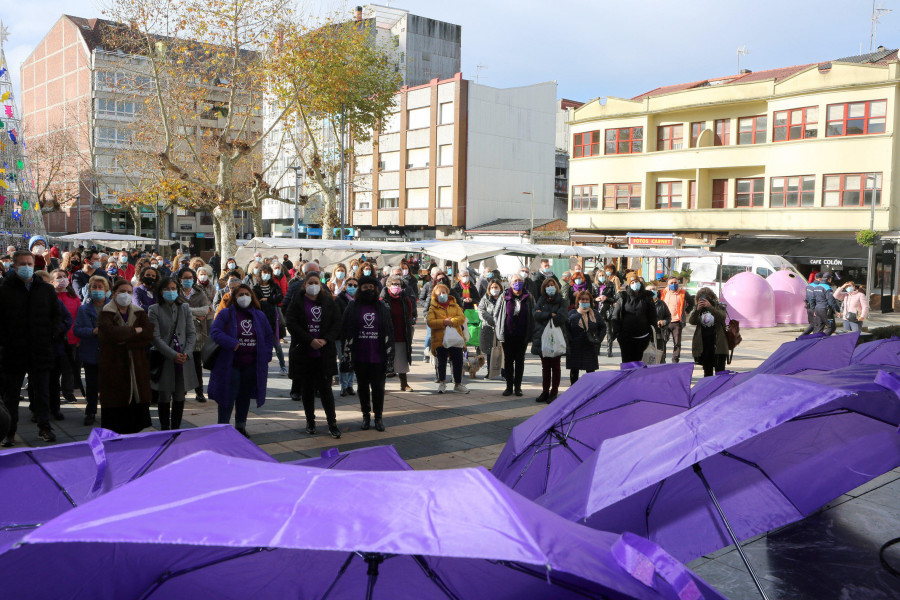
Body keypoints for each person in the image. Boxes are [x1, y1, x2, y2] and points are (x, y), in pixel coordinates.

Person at [0, 251, 63, 445]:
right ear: (14, 266)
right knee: (11, 395)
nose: (27, 267)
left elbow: (57, 316)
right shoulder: (4, 289)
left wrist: (52, 334)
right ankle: (9, 430)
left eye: (30, 263)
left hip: (40, 349)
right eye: (23, 264)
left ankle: (44, 427)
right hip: (13, 351)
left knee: (42, 392)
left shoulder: (45, 289)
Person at [208, 285, 273, 437]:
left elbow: (269, 336)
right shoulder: (226, 313)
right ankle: (223, 427)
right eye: (240, 294)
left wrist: (267, 354)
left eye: (247, 294)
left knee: (244, 396)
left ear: (252, 297)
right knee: (227, 396)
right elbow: (215, 332)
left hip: (251, 364)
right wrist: (231, 342)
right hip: (230, 364)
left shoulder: (259, 315)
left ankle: (240, 426)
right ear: (234, 298)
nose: (244, 297)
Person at [286, 270, 342, 438]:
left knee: (326, 390)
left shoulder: (328, 302)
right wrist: (309, 340)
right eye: (310, 283)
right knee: (307, 390)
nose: (313, 286)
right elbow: (291, 323)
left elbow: (336, 323)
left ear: (321, 284)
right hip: (304, 351)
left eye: (316, 283)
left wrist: (325, 340)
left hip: (324, 353)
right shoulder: (297, 302)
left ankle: (332, 422)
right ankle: (310, 421)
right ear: (304, 285)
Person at [97, 279, 154, 434]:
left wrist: (126, 341)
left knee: (136, 405)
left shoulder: (139, 312)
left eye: (129, 292)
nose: (126, 295)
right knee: (116, 403)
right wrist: (135, 331)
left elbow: (148, 334)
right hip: (114, 364)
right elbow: (111, 334)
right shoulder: (106, 313)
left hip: (137, 363)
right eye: (122, 291)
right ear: (114, 293)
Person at [340, 275, 395, 431]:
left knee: (378, 388)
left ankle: (378, 417)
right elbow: (345, 330)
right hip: (360, 355)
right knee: (362, 388)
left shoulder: (382, 307)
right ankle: (366, 416)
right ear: (360, 289)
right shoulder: (352, 307)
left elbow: (389, 330)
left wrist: (390, 353)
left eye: (372, 288)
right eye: (365, 288)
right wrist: (346, 353)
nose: (369, 290)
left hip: (378, 355)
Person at [148, 277, 198, 430]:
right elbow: (155, 337)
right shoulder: (154, 309)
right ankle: (164, 426)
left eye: (173, 288)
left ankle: (176, 427)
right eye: (167, 289)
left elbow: (191, 333)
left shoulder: (184, 308)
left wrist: (187, 353)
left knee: (179, 394)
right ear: (160, 291)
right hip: (165, 357)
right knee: (164, 394)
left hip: (183, 357)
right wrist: (172, 354)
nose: (171, 292)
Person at [74, 276, 110, 425]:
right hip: (91, 352)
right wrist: (92, 331)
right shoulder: (83, 309)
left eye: (100, 287)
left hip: (109, 353)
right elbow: (77, 330)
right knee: (92, 384)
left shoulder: (112, 307)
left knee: (108, 384)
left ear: (106, 290)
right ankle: (91, 411)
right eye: (94, 287)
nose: (97, 290)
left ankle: (108, 412)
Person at [496, 273, 535, 397]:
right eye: (515, 281)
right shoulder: (504, 296)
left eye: (520, 280)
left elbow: (533, 314)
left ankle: (518, 387)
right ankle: (509, 387)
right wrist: (498, 328)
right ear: (510, 284)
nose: (518, 283)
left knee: (519, 361)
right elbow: (496, 314)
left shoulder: (529, 297)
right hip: (507, 334)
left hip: (522, 334)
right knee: (508, 360)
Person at [427, 283, 468, 394]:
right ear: (435, 295)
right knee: (441, 361)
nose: (442, 294)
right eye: (439, 293)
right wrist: (444, 322)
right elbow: (430, 322)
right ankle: (442, 383)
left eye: (444, 292)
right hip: (440, 339)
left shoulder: (455, 305)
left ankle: (458, 384)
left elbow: (462, 318)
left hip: (455, 338)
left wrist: (451, 321)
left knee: (457, 361)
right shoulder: (433, 307)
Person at [532, 277, 567, 403]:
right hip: (542, 337)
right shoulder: (541, 300)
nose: (550, 287)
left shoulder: (562, 301)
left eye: (552, 285)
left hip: (556, 337)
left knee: (555, 366)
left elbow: (561, 318)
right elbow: (535, 314)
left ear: (556, 286)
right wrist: (550, 314)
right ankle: (545, 391)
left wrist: (544, 314)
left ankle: (554, 392)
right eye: (547, 286)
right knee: (545, 367)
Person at [51, 269, 82, 408]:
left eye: (64, 277)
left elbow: (79, 317)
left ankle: (68, 392)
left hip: (71, 337)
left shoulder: (73, 296)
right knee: (54, 368)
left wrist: (78, 337)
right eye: (59, 277)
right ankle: (54, 391)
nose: (62, 280)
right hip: (55, 339)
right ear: (52, 281)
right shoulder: (50, 296)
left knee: (69, 367)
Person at [179, 268, 211, 402]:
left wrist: (186, 311)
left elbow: (205, 310)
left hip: (198, 333)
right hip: (180, 333)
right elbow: (176, 311)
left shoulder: (199, 293)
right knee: (182, 362)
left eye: (190, 278)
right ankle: (182, 390)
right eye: (185, 278)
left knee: (197, 364)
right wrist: (196, 315)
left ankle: (199, 392)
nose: (188, 280)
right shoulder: (176, 292)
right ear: (180, 279)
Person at [610, 273, 657, 363]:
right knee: (627, 363)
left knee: (639, 363)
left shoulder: (647, 297)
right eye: (632, 282)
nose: (635, 284)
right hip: (626, 338)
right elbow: (615, 316)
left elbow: (653, 316)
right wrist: (616, 332)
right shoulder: (623, 297)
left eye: (636, 281)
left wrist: (652, 332)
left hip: (643, 337)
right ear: (629, 284)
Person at [252, 263, 286, 375]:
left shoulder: (274, 286)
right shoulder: (256, 288)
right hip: (261, 317)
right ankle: (262, 366)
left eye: (268, 273)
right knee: (262, 343)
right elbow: (256, 300)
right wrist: (268, 299)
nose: (266, 275)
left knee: (276, 343)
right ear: (260, 274)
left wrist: (268, 299)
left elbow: (279, 297)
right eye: (264, 273)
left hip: (273, 316)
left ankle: (283, 366)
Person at [382, 275, 415, 392]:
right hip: (387, 335)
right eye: (394, 284)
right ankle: (382, 386)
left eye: (399, 285)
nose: (397, 287)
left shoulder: (405, 299)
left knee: (402, 360)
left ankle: (404, 383)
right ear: (388, 285)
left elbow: (409, 315)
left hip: (402, 334)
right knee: (385, 361)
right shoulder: (382, 300)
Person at [566, 290, 606, 385]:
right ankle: (574, 392)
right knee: (574, 372)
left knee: (590, 372)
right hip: (575, 347)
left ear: (590, 301)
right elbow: (566, 328)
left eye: (587, 299)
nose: (584, 301)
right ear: (578, 301)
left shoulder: (595, 313)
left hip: (590, 346)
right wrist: (570, 340)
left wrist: (598, 339)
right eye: (582, 299)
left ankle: (590, 392)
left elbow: (603, 327)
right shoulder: (572, 313)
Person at [690, 287, 729, 377]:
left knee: (720, 372)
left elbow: (721, 317)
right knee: (707, 372)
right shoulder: (698, 308)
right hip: (704, 344)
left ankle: (719, 390)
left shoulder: (719, 306)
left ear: (711, 297)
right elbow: (692, 321)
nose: (705, 300)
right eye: (702, 298)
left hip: (718, 344)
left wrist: (710, 307)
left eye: (707, 297)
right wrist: (697, 310)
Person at [335, 276, 359, 396]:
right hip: (342, 336)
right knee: (343, 360)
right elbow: (337, 319)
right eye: (350, 285)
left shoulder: (359, 301)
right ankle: (343, 386)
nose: (352, 287)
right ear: (345, 286)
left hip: (356, 335)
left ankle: (350, 385)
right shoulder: (339, 300)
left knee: (353, 360)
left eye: (355, 285)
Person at [659, 276, 692, 363]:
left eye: (675, 283)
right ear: (668, 285)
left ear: (678, 283)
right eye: (671, 283)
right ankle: (662, 359)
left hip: (677, 322)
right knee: (663, 342)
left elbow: (691, 302)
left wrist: (687, 311)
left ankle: (675, 360)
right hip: (665, 322)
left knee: (677, 343)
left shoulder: (683, 293)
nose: (674, 284)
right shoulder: (662, 292)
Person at [478, 279, 504, 380]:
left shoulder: (504, 298)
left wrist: (499, 321)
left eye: (496, 287)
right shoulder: (485, 298)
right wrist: (492, 320)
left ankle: (504, 372)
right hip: (489, 327)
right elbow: (481, 311)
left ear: (500, 288)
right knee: (490, 351)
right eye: (492, 287)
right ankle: (490, 372)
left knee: (502, 351)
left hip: (501, 328)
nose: (494, 289)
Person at [806, 271, 840, 335]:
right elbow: (831, 301)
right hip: (825, 310)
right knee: (831, 327)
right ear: (829, 279)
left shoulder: (816, 287)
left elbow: (812, 299)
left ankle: (814, 341)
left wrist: (814, 310)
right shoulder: (827, 288)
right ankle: (822, 340)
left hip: (817, 309)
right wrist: (837, 310)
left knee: (819, 327)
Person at [646, 282, 672, 363]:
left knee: (660, 357)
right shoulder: (643, 303)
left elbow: (668, 317)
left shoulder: (662, 304)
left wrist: (663, 321)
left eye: (654, 289)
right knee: (647, 357)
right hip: (646, 335)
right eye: (649, 290)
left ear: (657, 291)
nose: (652, 291)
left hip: (659, 335)